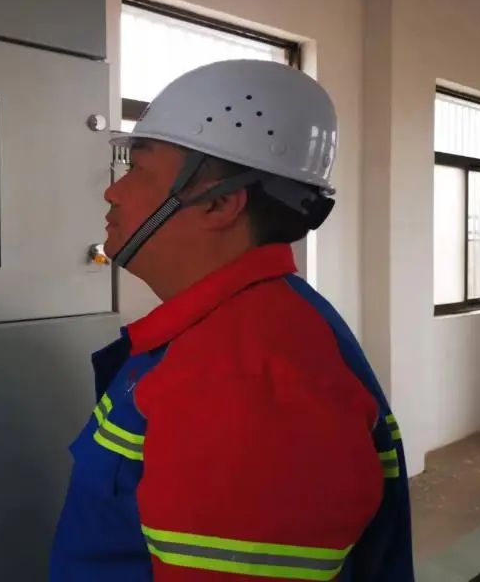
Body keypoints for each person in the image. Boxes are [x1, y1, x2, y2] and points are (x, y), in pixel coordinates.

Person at [50, 60, 413, 581]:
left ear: (219, 204)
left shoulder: (241, 378)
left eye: (137, 169)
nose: (113, 192)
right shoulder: (238, 332)